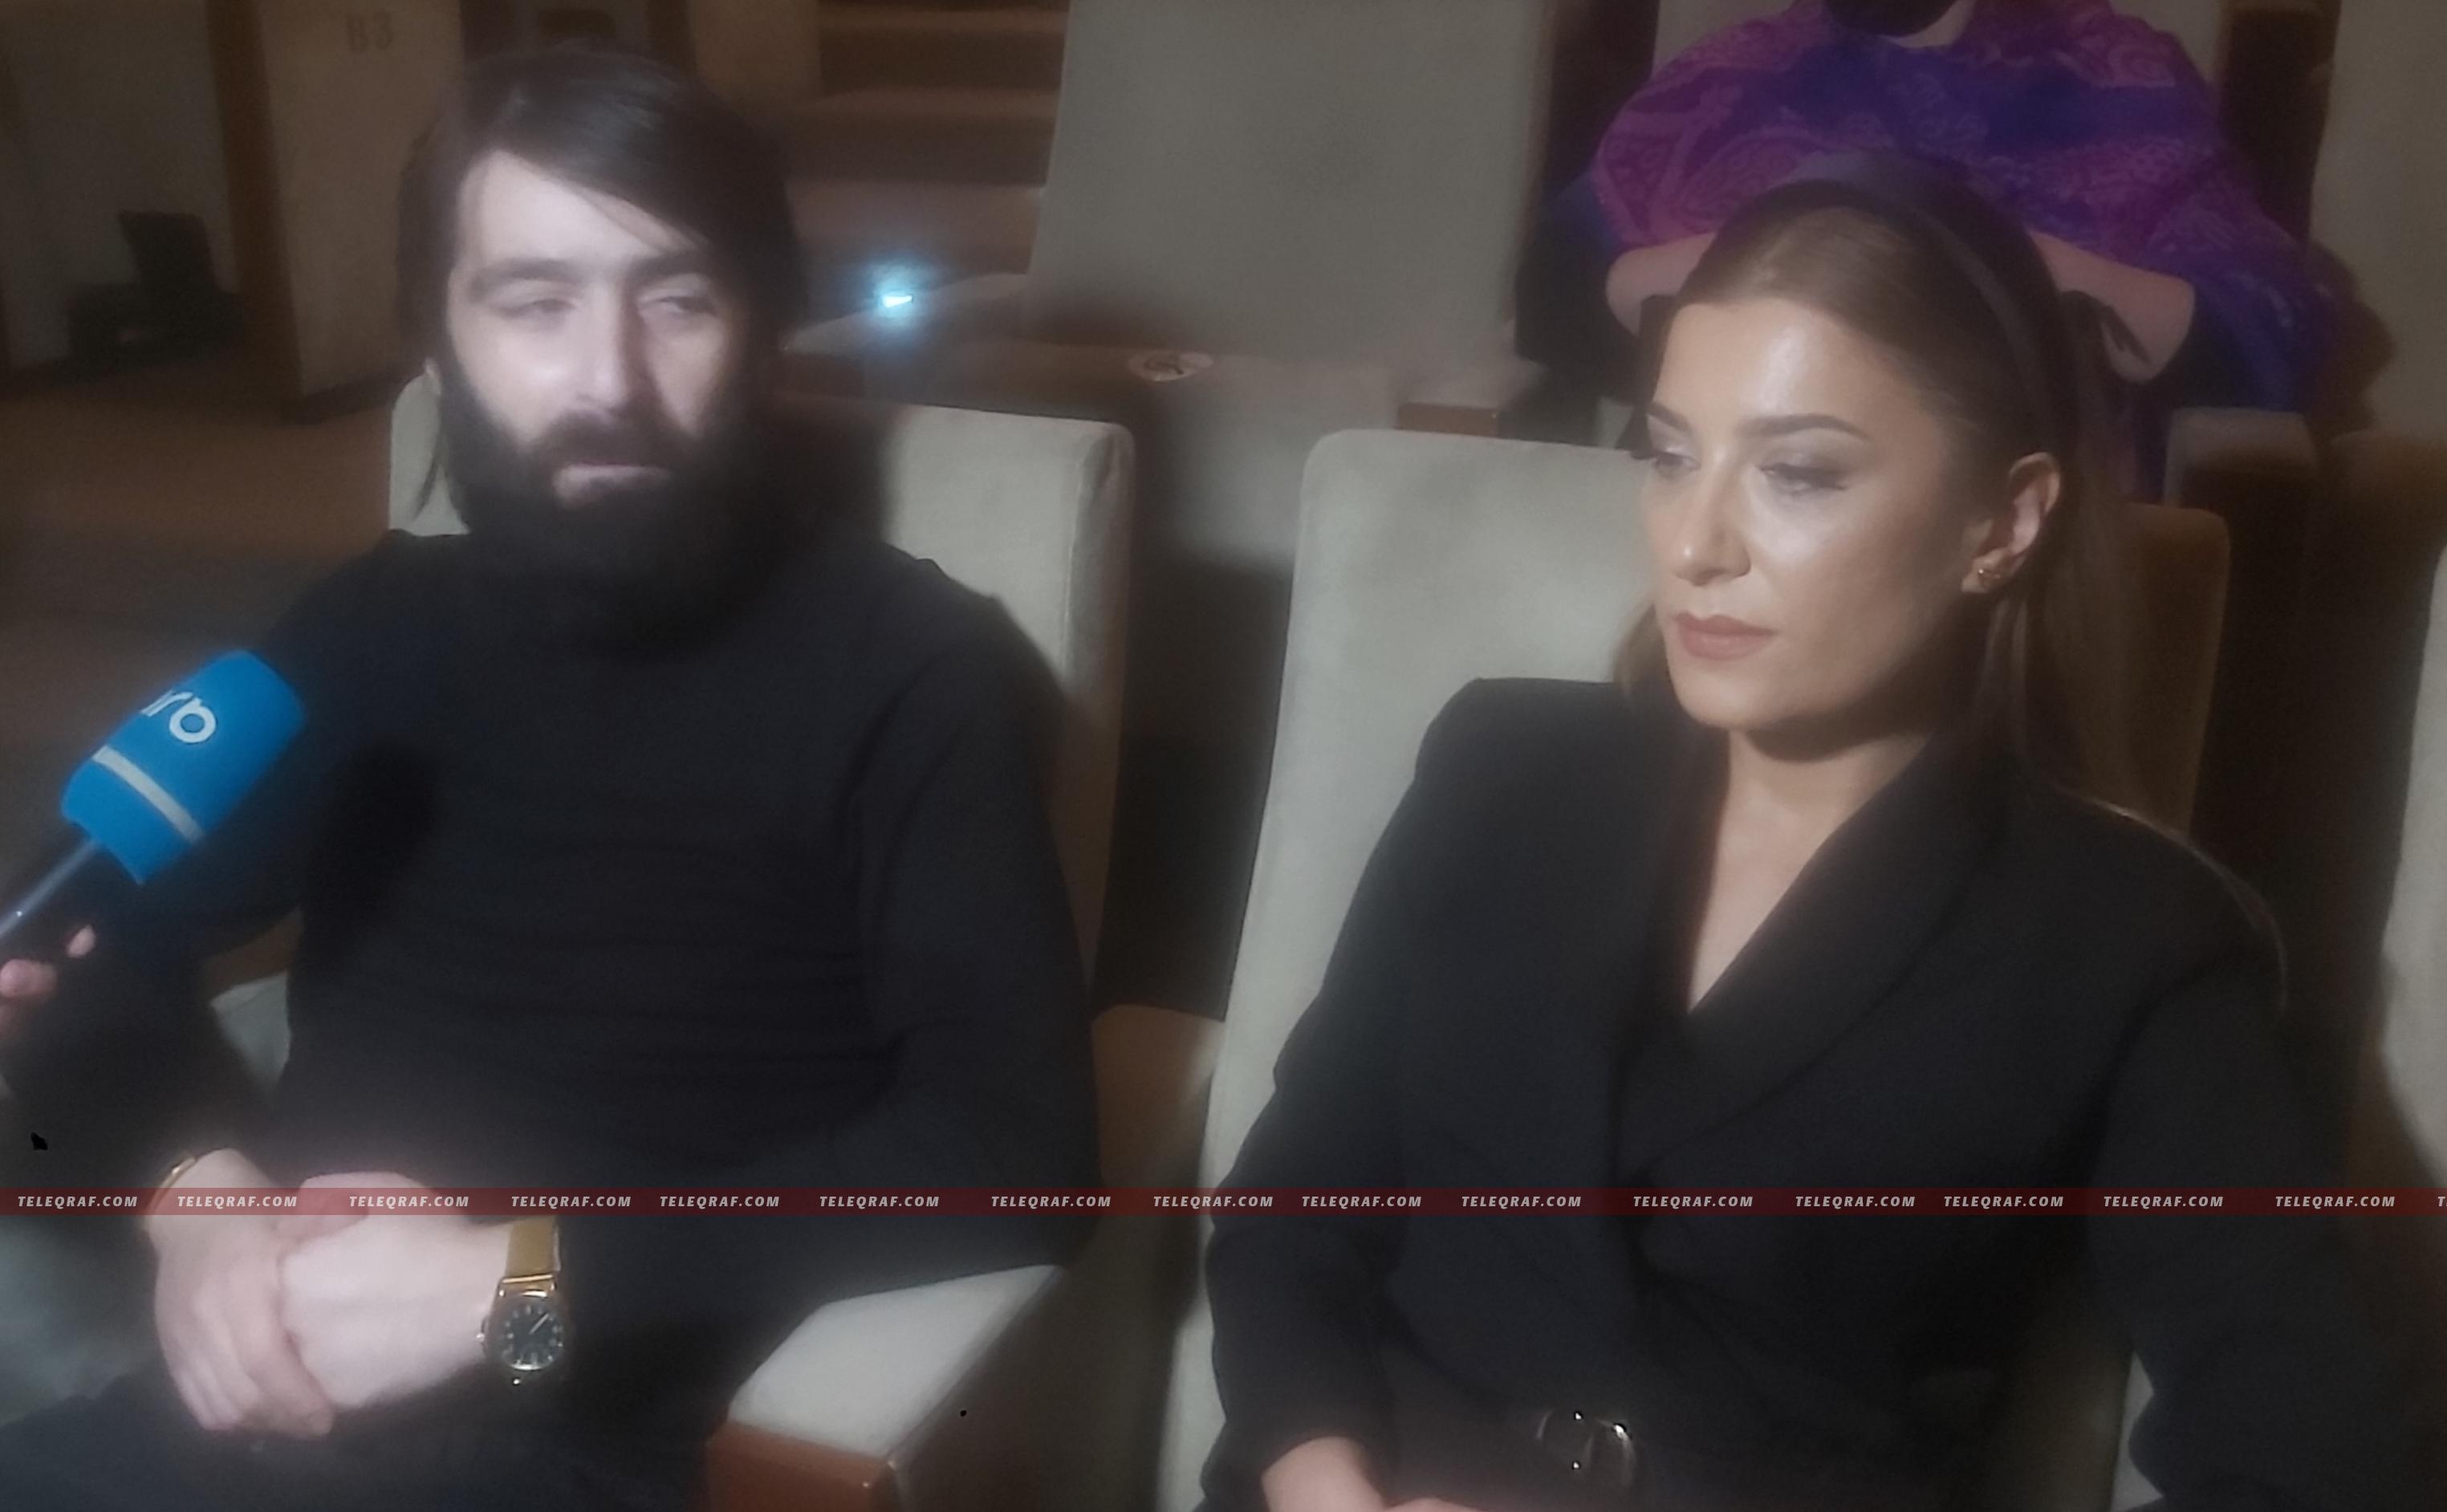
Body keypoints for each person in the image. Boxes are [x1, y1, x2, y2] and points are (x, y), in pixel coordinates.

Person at [1204, 155, 2415, 1512]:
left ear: (2002, 522)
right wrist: (1326, 1487)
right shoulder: (1500, 769)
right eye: (1670, 456)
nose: (1694, 543)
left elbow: (2318, 1462)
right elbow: (1288, 1211)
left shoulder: (2129, 941)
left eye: (1797, 473)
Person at [0, 44, 1096, 1512]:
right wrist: (197, 1202)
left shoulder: (911, 669)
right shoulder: (371, 627)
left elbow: (1015, 1148)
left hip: (582, 1410)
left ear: (762, 333)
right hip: (247, 1388)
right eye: (534, 302)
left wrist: (503, 1280)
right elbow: (76, 922)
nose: (608, 379)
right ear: (441, 346)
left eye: (678, 299)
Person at [1516, 0, 2330, 475]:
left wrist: (1998, 260)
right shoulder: (1732, 78)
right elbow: (1554, 292)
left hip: (2007, 542)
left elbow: (2260, 332)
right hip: (1726, 514)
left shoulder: (2117, 79)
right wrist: (1779, 250)